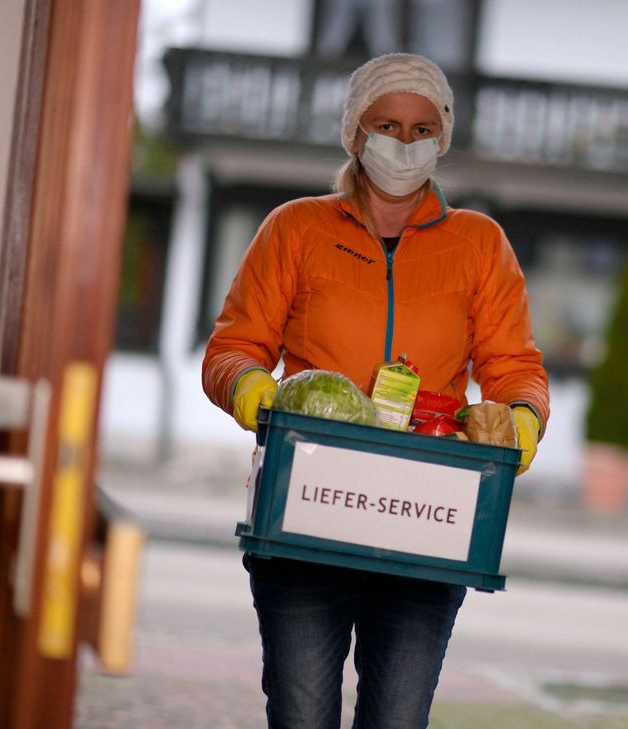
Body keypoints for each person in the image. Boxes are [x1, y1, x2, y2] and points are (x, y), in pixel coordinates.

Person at [202, 52, 549, 729]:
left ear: (443, 139)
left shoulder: (480, 244)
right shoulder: (296, 229)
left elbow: (514, 367)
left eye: (424, 128)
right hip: (305, 515)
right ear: (356, 134)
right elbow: (234, 348)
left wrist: (519, 427)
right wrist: (262, 400)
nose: (405, 141)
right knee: (301, 716)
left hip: (427, 525)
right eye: (387, 123)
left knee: (396, 719)